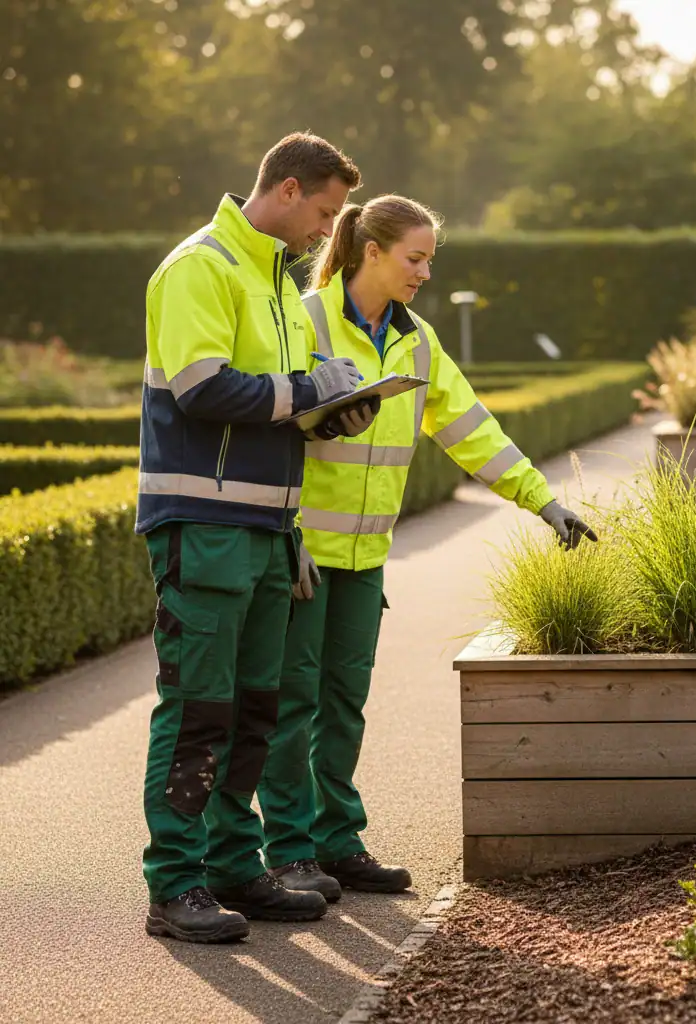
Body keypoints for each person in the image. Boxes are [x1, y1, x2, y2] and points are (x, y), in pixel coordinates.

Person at [257, 194, 597, 900]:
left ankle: (336, 841)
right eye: (415, 259)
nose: (424, 273)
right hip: (302, 555)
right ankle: (288, 850)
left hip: (365, 556)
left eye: (430, 261)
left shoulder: (417, 340)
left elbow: (472, 429)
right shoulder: (303, 319)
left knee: (344, 702)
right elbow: (263, 430)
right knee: (294, 705)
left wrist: (545, 501)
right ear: (370, 252)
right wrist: (281, 535)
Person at [138, 132, 367, 944]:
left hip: (268, 531)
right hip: (201, 529)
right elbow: (203, 388)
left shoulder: (275, 283)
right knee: (200, 710)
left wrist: (332, 414)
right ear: (290, 187)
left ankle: (235, 864)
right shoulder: (200, 266)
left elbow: (274, 410)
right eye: (327, 214)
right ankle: (174, 884)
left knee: (254, 713)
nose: (328, 234)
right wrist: (307, 388)